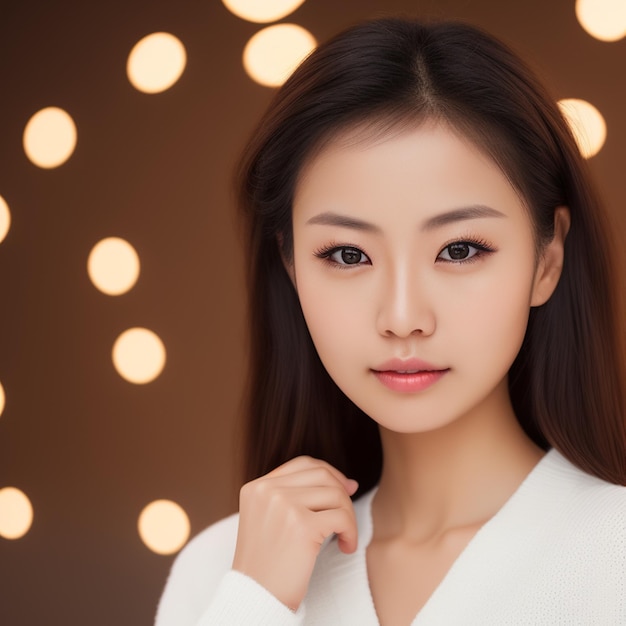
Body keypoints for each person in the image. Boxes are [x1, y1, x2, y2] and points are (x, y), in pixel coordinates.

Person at [155, 17, 626, 625]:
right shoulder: (222, 569)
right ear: (292, 266)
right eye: (348, 255)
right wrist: (254, 601)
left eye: (460, 250)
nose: (403, 318)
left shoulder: (612, 556)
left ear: (547, 260)